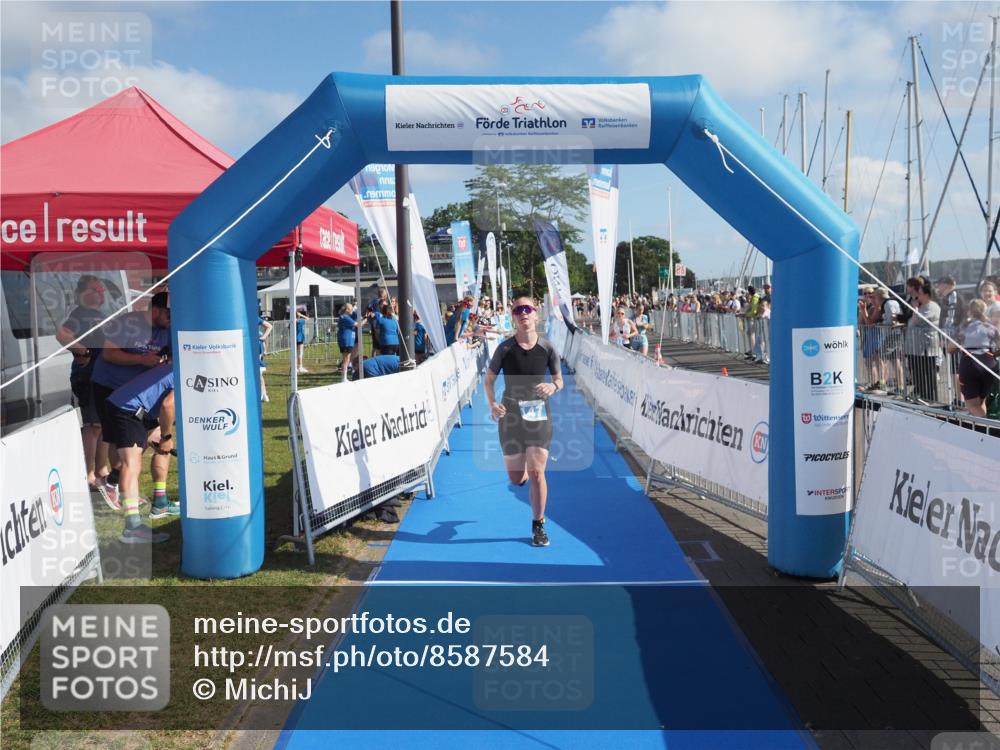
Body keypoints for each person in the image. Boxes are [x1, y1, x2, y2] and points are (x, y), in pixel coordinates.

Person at [484, 296, 563, 548]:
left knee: (538, 472)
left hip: (538, 413)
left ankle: (538, 525)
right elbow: (488, 381)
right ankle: (525, 473)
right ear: (513, 316)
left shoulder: (548, 348)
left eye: (527, 309)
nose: (523, 313)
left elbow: (560, 380)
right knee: (517, 478)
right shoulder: (505, 349)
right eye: (518, 310)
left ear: (535, 314)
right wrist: (492, 405)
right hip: (510, 416)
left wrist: (553, 386)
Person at [90, 291, 171, 511]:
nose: (172, 320)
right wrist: (141, 359)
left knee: (141, 437)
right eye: (169, 315)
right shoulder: (127, 323)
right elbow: (109, 354)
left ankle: (116, 480)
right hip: (108, 385)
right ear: (155, 310)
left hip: (136, 392)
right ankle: (113, 484)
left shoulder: (166, 330)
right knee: (116, 437)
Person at [106, 362, 176, 543]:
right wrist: (166, 437)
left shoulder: (193, 366)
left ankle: (159, 503)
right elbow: (168, 406)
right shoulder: (190, 371)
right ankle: (132, 526)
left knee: (158, 448)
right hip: (127, 409)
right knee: (133, 463)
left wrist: (165, 439)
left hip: (140, 410)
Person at [56, 275, 109, 490]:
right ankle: (88, 474)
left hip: (103, 375)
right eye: (95, 289)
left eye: (101, 289)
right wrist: (83, 352)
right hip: (88, 375)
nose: (100, 292)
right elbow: (62, 334)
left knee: (103, 425)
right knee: (93, 426)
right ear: (84, 293)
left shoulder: (99, 314)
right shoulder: (79, 314)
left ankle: (101, 470)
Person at [950, 299, 1000, 417]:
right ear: (985, 311)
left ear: (969, 311)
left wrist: (961, 346)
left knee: (972, 404)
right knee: (981, 401)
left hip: (970, 363)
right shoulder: (990, 327)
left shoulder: (964, 327)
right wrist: (993, 355)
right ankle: (984, 427)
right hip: (988, 363)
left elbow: (950, 348)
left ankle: (984, 429)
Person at [903, 276, 942, 403]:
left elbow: (917, 320)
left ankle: (931, 398)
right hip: (915, 347)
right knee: (917, 372)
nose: (917, 297)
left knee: (928, 374)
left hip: (927, 347)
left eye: (919, 294)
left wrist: (915, 309)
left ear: (926, 294)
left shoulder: (932, 306)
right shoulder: (921, 306)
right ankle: (920, 394)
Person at [337, 303, 361, 381]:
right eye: (351, 309)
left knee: (347, 359)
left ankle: (344, 377)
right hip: (346, 341)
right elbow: (357, 324)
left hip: (348, 340)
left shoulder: (346, 317)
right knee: (346, 359)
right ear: (347, 310)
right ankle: (343, 378)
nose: (352, 310)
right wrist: (366, 319)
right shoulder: (345, 317)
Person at [258, 315, 272, 402]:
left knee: (258, 373)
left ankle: (264, 393)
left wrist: (263, 337)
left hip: (256, 348)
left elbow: (270, 326)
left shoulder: (255, 318)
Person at [295, 307, 310, 373]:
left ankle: (295, 367)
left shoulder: (292, 321)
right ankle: (300, 367)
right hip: (299, 337)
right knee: (300, 353)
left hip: (294, 338)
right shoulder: (300, 321)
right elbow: (307, 318)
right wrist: (301, 315)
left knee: (295, 353)